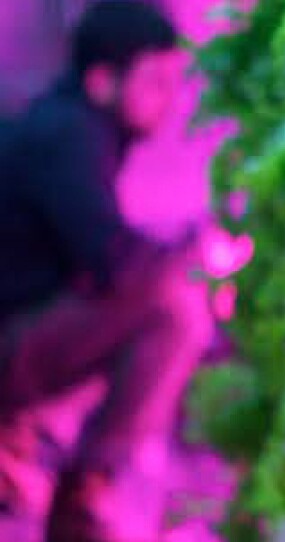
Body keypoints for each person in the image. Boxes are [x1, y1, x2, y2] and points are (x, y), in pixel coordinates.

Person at [0, 2, 213, 541]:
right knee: (174, 307)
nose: (167, 101)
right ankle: (85, 491)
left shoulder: (73, 126)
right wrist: (198, 248)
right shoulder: (69, 135)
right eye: (155, 82)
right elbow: (114, 265)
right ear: (102, 80)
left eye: (174, 83)